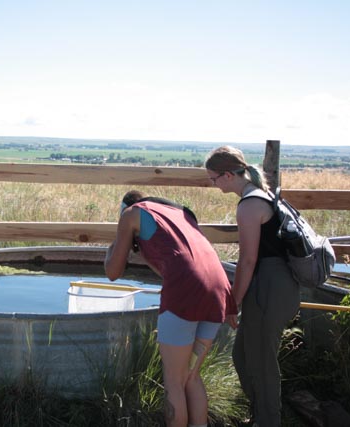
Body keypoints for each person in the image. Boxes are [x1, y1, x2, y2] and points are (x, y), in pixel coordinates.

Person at [105, 190, 237, 427]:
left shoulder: (130, 214)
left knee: (174, 381)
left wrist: (111, 251)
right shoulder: (180, 212)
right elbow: (181, 262)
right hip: (219, 289)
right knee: (191, 376)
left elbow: (113, 272)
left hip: (185, 292)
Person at [205, 146, 300, 427]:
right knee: (243, 355)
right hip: (272, 283)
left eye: (213, 179)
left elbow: (247, 261)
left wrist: (233, 302)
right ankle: (261, 415)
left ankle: (268, 420)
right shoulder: (262, 195)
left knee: (262, 362)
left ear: (226, 175)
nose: (213, 184)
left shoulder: (249, 205)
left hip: (270, 284)